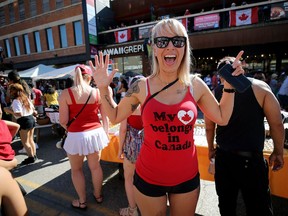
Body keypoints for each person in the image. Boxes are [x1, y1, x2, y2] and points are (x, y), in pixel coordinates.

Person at [90, 18, 244, 215]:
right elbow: (114, 115)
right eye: (162, 41)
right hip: (149, 177)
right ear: (154, 48)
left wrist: (229, 88)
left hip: (186, 177)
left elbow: (222, 118)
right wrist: (103, 87)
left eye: (177, 41)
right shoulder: (141, 86)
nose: (170, 46)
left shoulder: (195, 85)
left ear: (185, 47)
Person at [205, 56, 284, 216]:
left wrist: (210, 149)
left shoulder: (216, 91)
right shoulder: (261, 88)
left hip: (224, 158)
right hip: (251, 160)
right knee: (259, 208)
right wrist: (278, 151)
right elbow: (276, 123)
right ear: (240, 69)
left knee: (227, 207)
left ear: (221, 75)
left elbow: (209, 126)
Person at [58, 65, 109, 210]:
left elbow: (62, 121)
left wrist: (72, 130)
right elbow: (105, 118)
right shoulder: (97, 92)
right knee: (95, 167)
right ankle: (98, 195)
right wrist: (105, 133)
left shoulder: (66, 93)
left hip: (75, 135)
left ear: (75, 76)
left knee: (76, 170)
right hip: (95, 134)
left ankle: (82, 201)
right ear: (90, 77)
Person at [118, 76, 144, 216]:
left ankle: (132, 210)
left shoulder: (126, 104)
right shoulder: (151, 103)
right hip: (149, 147)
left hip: (132, 147)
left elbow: (123, 130)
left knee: (129, 178)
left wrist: (119, 149)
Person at [4, 83, 37, 165]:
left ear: (13, 91)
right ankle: (34, 155)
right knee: (31, 139)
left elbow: (19, 114)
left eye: (10, 90)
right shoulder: (25, 98)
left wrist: (8, 110)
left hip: (24, 120)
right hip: (31, 118)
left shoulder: (16, 100)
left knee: (25, 141)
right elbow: (33, 110)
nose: (9, 92)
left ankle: (31, 157)